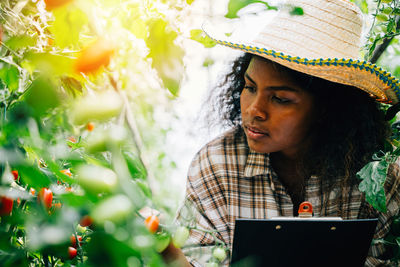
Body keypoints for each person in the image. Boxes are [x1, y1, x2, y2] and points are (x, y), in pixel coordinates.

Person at [162, 0, 400, 266]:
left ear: (328, 109)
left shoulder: (378, 176)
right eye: (250, 87)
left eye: (280, 99)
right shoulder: (216, 166)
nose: (254, 110)